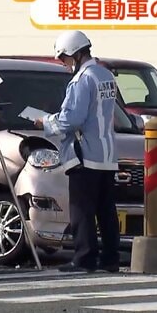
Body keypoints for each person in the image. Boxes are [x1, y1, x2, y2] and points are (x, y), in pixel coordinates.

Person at [34, 30, 120, 273]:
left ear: (75, 54)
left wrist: (45, 122)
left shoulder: (82, 80)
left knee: (82, 210)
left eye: (64, 58)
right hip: (107, 155)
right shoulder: (106, 76)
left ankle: (83, 259)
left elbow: (72, 119)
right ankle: (111, 259)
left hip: (85, 154)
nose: (64, 64)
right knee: (106, 211)